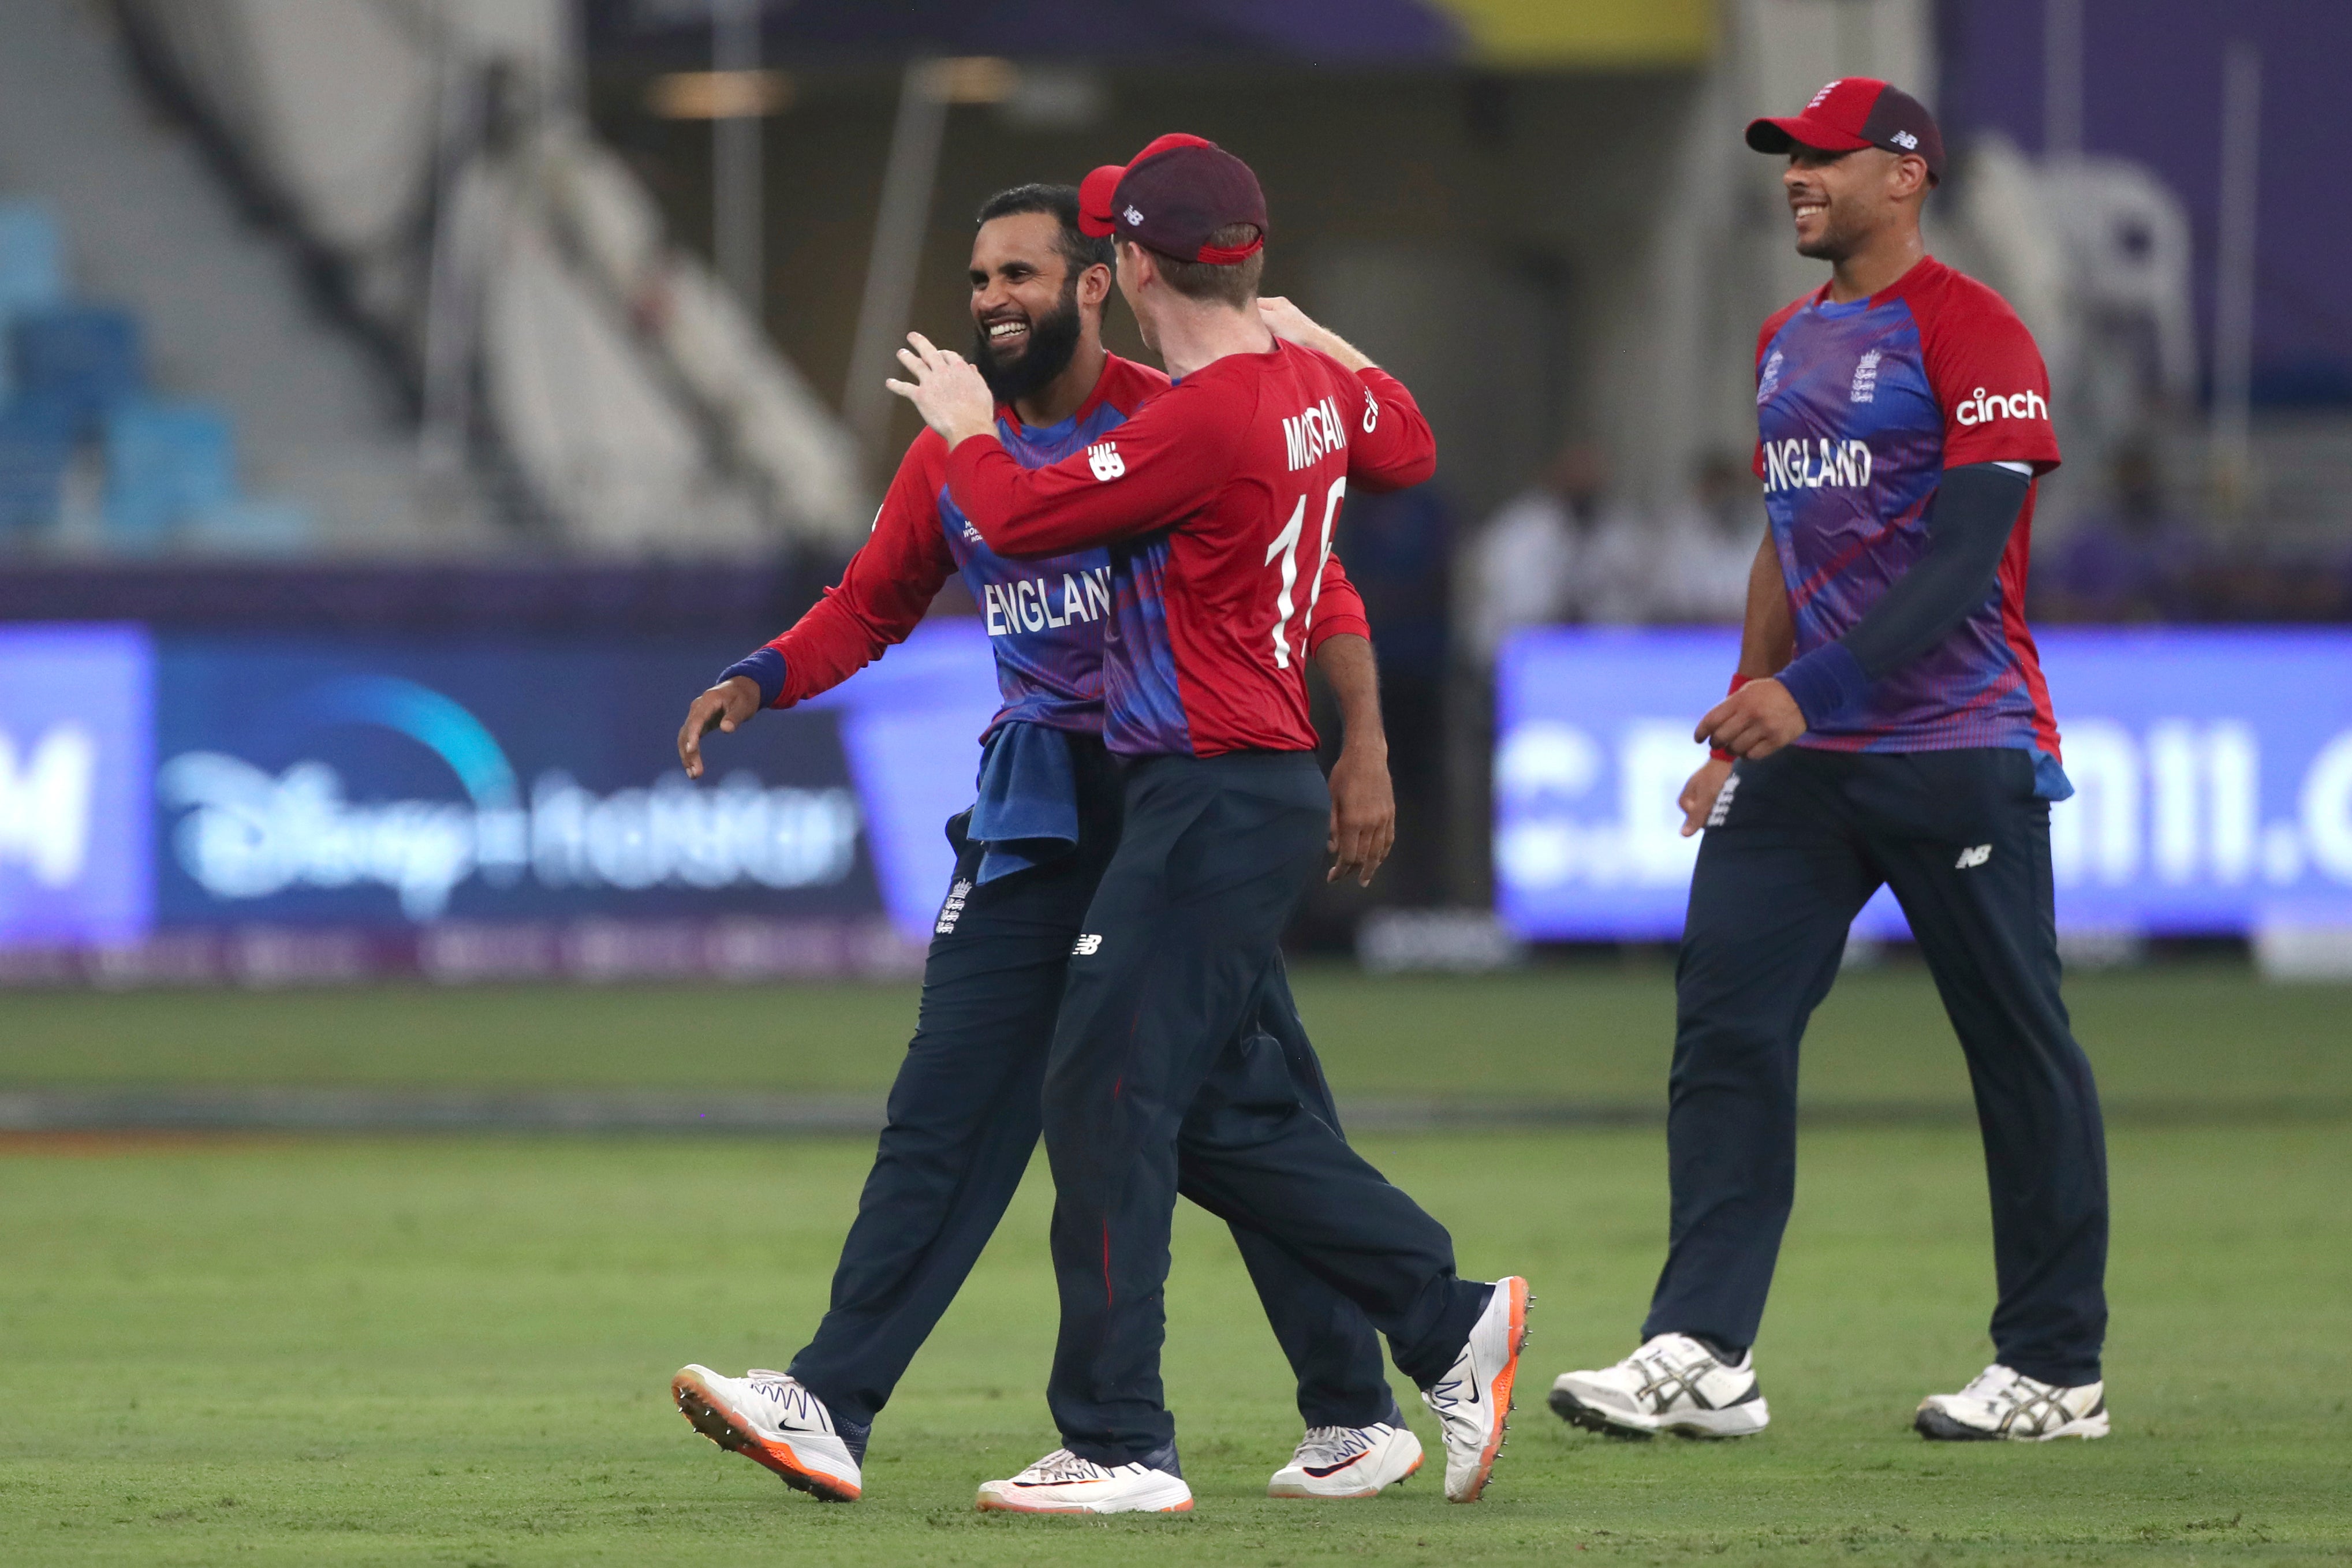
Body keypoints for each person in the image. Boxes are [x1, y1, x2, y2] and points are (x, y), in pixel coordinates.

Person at [666, 184, 1425, 1508]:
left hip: (1180, 795)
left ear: (1096, 284)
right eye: (976, 279)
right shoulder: (953, 457)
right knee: (950, 1100)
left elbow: (1324, 582)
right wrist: (766, 676)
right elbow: (875, 598)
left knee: (1236, 1115)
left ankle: (1355, 1403)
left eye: (1019, 273)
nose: (990, 300)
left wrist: (1360, 743)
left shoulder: (1172, 417)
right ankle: (827, 1398)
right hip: (1039, 803)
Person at [887, 134, 1528, 1514]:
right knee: (1192, 1104)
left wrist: (962, 423)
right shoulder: (1296, 381)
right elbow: (1405, 441)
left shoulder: (1202, 416)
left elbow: (1023, 511)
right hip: (1239, 788)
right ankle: (1439, 1316)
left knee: (1105, 1091)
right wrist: (1313, 331)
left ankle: (1123, 1443)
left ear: (1125, 264)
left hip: (1209, 788)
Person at [1550, 80, 2111, 1445]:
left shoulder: (1975, 329)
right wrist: (1749, 706)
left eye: (1823, 156)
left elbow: (1966, 557)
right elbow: (1788, 541)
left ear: (1905, 173)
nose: (1796, 175)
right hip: (1804, 757)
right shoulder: (1786, 337)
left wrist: (1808, 690)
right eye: (1786, 157)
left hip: (1960, 747)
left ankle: (2055, 1370)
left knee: (2016, 1050)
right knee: (1727, 1033)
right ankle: (1702, 1350)